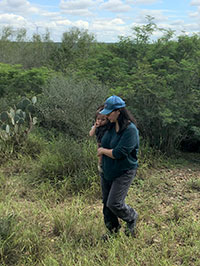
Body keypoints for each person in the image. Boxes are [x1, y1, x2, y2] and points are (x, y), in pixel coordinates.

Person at [97, 95, 139, 238]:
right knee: (106, 204)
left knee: (114, 203)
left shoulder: (130, 130)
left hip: (124, 170)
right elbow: (98, 135)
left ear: (118, 111)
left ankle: (131, 217)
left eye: (109, 113)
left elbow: (119, 153)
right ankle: (112, 232)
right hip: (107, 169)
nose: (107, 116)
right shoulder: (109, 126)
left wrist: (102, 151)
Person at [89, 105, 109, 172]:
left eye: (103, 120)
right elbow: (91, 134)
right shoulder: (96, 126)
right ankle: (100, 165)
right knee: (100, 155)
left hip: (107, 144)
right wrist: (95, 126)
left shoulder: (108, 126)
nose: (100, 121)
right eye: (98, 119)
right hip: (100, 143)